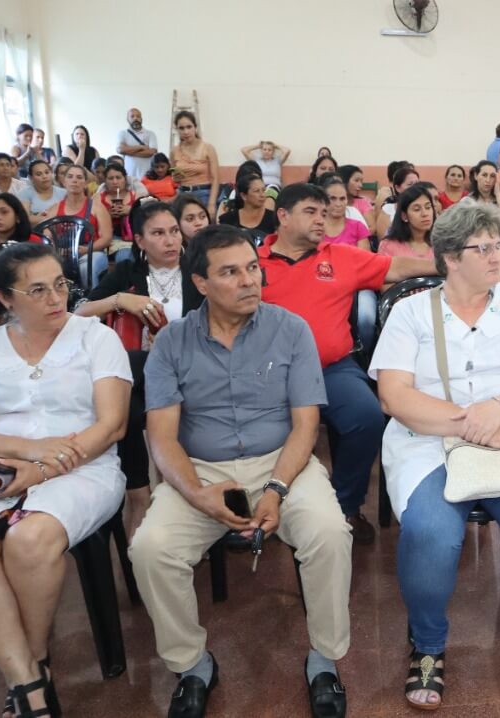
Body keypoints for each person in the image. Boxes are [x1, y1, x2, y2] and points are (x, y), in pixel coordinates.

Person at [128, 225, 351, 718]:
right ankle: (192, 665)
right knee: (151, 549)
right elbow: (162, 437)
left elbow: (305, 425)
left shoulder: (290, 330)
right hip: (200, 469)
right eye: (230, 272)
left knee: (329, 532)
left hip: (283, 462)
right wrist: (196, 493)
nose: (250, 280)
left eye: (252, 267)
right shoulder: (171, 343)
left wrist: (275, 488)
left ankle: (324, 658)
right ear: (201, 283)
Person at [367, 199, 500, 711]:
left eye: (497, 245)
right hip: (429, 440)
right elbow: (394, 397)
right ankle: (427, 645)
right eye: (481, 248)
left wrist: (499, 409)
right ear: (449, 258)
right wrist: (478, 424)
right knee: (429, 531)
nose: (495, 256)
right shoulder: (411, 312)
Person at [0, 242, 131, 717]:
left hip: (85, 466)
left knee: (29, 537)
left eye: (60, 285)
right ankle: (29, 680)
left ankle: (32, 667)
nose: (55, 299)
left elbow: (112, 426)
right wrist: (27, 451)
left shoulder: (95, 338)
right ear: (5, 298)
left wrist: (44, 467)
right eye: (38, 290)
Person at [259, 182, 436, 544]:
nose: (321, 220)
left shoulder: (339, 256)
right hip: (272, 375)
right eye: (311, 212)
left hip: (332, 368)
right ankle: (276, 505)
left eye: (324, 213)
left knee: (367, 417)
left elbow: (398, 267)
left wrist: (455, 265)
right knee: (258, 429)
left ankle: (344, 507)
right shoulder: (254, 265)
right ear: (283, 216)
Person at [75, 202, 201, 541]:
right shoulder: (128, 271)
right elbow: (79, 313)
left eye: (174, 231)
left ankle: (149, 494)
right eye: (158, 233)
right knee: (126, 401)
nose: (170, 240)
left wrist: (174, 343)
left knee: (127, 379)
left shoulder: (197, 269)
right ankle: (140, 494)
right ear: (140, 241)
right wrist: (120, 299)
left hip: (193, 369)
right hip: (143, 377)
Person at [54, 165, 111, 286]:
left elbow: (106, 238)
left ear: (85, 183)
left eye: (79, 177)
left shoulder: (97, 207)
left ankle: (90, 297)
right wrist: (58, 250)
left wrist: (87, 249)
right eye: (70, 177)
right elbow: (46, 238)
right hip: (63, 253)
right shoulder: (54, 209)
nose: (74, 180)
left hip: (92, 252)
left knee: (86, 267)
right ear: (64, 182)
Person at [170, 110, 220, 216]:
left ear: (195, 127)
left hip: (204, 194)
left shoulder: (208, 148)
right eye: (181, 128)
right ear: (177, 130)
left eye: (189, 127)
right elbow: (174, 175)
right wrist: (175, 176)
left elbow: (215, 178)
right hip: (183, 194)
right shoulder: (174, 151)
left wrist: (211, 204)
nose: (186, 132)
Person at [217, 173, 277, 243]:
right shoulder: (227, 220)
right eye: (257, 191)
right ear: (244, 196)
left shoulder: (274, 219)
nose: (262, 195)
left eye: (263, 190)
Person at [318, 175, 371, 250]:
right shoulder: (316, 227)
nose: (338, 204)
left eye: (342, 199)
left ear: (347, 200)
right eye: (332, 198)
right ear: (323, 200)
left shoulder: (358, 227)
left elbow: (364, 256)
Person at [99, 162, 139, 261]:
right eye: (110, 178)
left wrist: (131, 210)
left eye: (118, 177)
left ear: (125, 179)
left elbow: (147, 217)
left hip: (130, 237)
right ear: (105, 181)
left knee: (124, 256)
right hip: (106, 238)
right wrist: (106, 215)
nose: (115, 182)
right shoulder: (98, 198)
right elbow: (91, 220)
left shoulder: (136, 196)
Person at [375, 166, 422, 239]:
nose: (415, 188)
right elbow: (383, 239)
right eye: (410, 184)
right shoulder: (388, 210)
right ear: (397, 188)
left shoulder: (424, 207)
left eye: (417, 184)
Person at [16, 160, 66, 225]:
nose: (44, 176)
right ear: (31, 178)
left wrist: (37, 218)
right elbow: (24, 218)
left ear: (52, 173)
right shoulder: (24, 193)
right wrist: (53, 216)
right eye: (39, 174)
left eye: (47, 172)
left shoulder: (64, 193)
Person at [116, 108, 159, 179]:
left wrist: (128, 151)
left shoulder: (150, 134)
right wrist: (141, 147)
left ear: (141, 119)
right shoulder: (123, 133)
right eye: (132, 116)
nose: (135, 118)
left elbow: (152, 152)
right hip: (129, 176)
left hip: (147, 176)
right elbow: (120, 150)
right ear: (127, 119)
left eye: (138, 116)